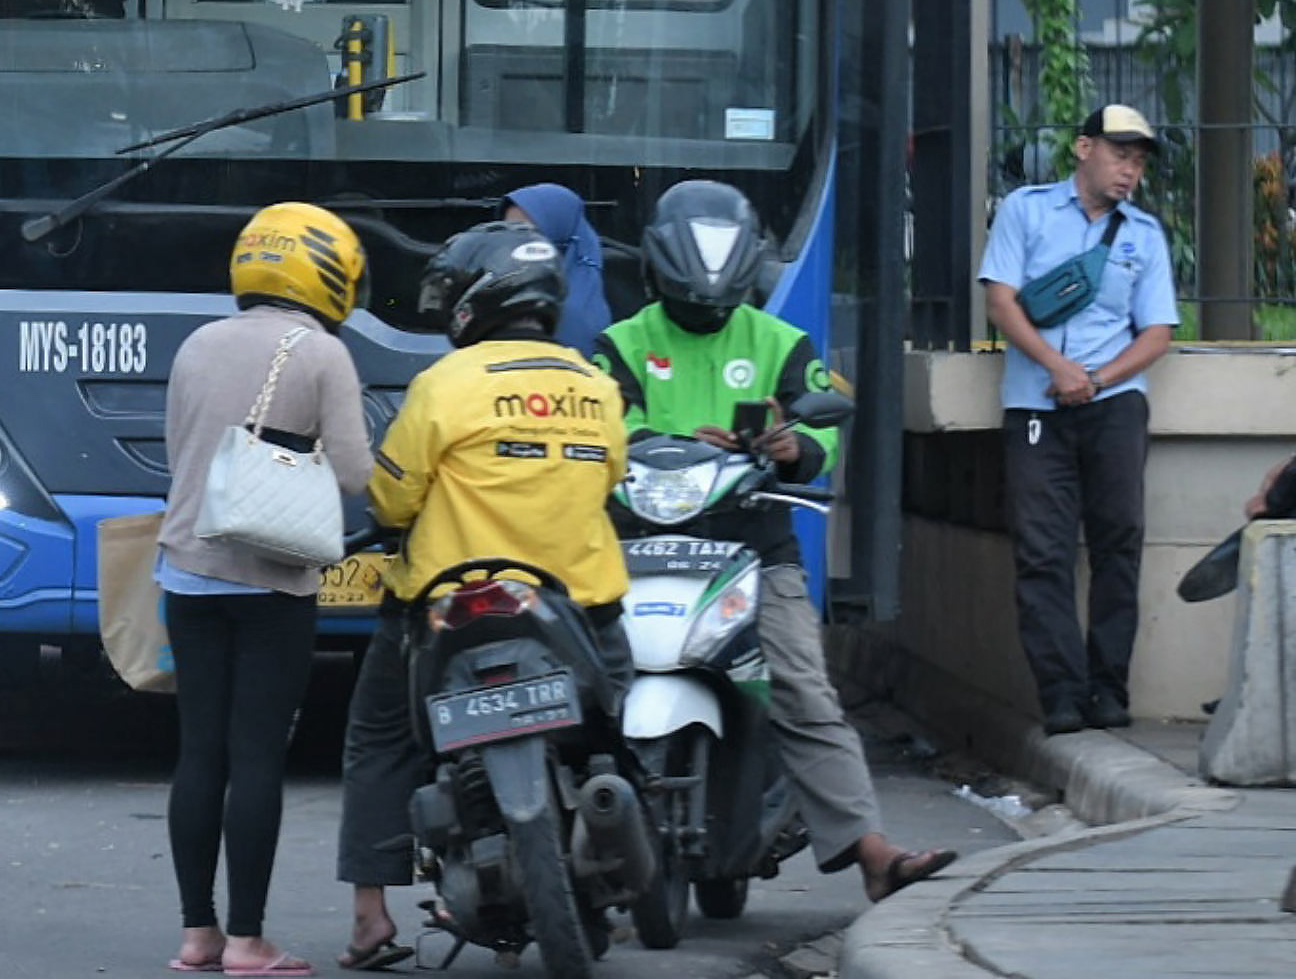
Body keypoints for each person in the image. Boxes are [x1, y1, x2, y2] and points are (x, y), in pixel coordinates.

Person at [590, 179, 959, 902]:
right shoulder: (621, 343)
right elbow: (599, 422)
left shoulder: (780, 343)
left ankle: (873, 852)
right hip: (636, 544)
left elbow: (821, 427)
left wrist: (788, 447)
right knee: (584, 680)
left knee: (803, 688)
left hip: (751, 548)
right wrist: (653, 441)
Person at [337, 221, 629, 972]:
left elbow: (394, 499)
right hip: (581, 607)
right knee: (621, 735)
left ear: (475, 298)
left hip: (445, 607)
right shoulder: (595, 384)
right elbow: (610, 483)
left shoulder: (446, 383)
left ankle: (371, 918)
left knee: (379, 743)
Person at [158, 202, 375, 977]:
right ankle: (249, 939)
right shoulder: (321, 354)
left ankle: (198, 935)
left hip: (186, 570)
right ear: (331, 275)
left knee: (199, 753)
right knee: (255, 757)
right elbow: (353, 473)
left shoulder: (196, 343)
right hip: (273, 582)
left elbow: (181, 449)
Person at [977, 104, 1179, 734]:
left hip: (1114, 402)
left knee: (1119, 542)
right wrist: (1054, 368)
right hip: (1036, 403)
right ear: (1084, 149)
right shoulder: (1026, 211)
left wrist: (1094, 379)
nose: (1130, 171)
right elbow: (1000, 301)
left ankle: (1108, 688)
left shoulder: (1143, 234)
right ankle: (1061, 694)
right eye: (1121, 155)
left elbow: (1157, 333)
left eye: (1139, 162)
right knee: (1043, 552)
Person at [501, 181, 609, 355]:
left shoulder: (569, 314)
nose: (516, 241)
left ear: (558, 231)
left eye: (527, 231)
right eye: (508, 231)